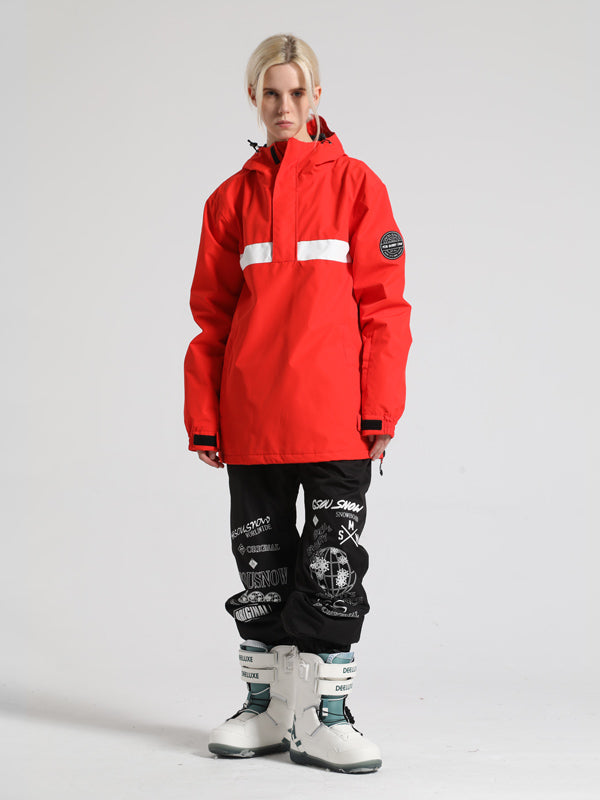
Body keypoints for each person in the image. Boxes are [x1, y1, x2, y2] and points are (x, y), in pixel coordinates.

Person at [183, 33, 411, 773]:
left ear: (317, 96)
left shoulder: (359, 187)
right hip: (252, 417)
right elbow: (212, 320)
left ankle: (326, 716)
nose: (284, 106)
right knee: (262, 565)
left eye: (297, 93)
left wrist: (381, 408)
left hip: (337, 418)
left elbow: (385, 308)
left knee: (331, 564)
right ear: (254, 97)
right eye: (271, 94)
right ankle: (269, 708)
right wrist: (205, 416)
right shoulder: (229, 200)